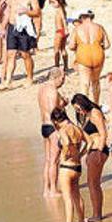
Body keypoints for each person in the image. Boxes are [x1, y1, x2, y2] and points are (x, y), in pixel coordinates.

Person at [0, 0, 40, 90]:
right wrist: (3, 27)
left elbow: (37, 12)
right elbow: (8, 13)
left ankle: (30, 78)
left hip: (24, 28)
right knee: (10, 54)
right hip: (12, 27)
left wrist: (26, 11)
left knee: (25, 54)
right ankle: (8, 81)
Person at [71, 93, 109, 222]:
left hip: (99, 149)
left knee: (94, 184)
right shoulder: (86, 115)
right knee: (92, 184)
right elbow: (88, 140)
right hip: (92, 150)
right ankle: (96, 214)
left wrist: (98, 152)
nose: (78, 111)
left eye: (78, 108)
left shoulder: (94, 113)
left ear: (83, 103)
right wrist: (80, 154)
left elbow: (104, 133)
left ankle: (97, 215)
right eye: (76, 109)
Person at [51, 108, 86, 222]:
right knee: (77, 196)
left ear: (55, 121)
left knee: (67, 197)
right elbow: (89, 142)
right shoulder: (76, 128)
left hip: (66, 167)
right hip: (77, 166)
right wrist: (81, 154)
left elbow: (66, 142)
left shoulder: (63, 130)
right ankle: (81, 221)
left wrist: (65, 154)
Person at [69, 9, 110, 102]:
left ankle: (85, 107)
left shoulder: (77, 29)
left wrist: (77, 47)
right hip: (98, 55)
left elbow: (71, 46)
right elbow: (107, 45)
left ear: (82, 17)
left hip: (83, 56)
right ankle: (96, 104)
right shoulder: (99, 27)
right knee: (95, 82)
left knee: (85, 84)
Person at [38, 67, 67, 198]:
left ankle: (46, 190)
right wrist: (59, 131)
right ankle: (53, 189)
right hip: (53, 127)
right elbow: (54, 113)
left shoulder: (42, 88)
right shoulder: (53, 91)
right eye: (62, 78)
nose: (63, 81)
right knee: (54, 161)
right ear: (56, 77)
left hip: (44, 126)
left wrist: (62, 103)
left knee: (48, 160)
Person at [48, 0, 69, 70]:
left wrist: (66, 29)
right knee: (63, 49)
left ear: (59, 1)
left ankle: (56, 66)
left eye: (54, 2)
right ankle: (66, 66)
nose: (52, 4)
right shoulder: (63, 9)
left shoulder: (59, 10)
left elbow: (64, 19)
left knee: (56, 50)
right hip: (62, 31)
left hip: (59, 31)